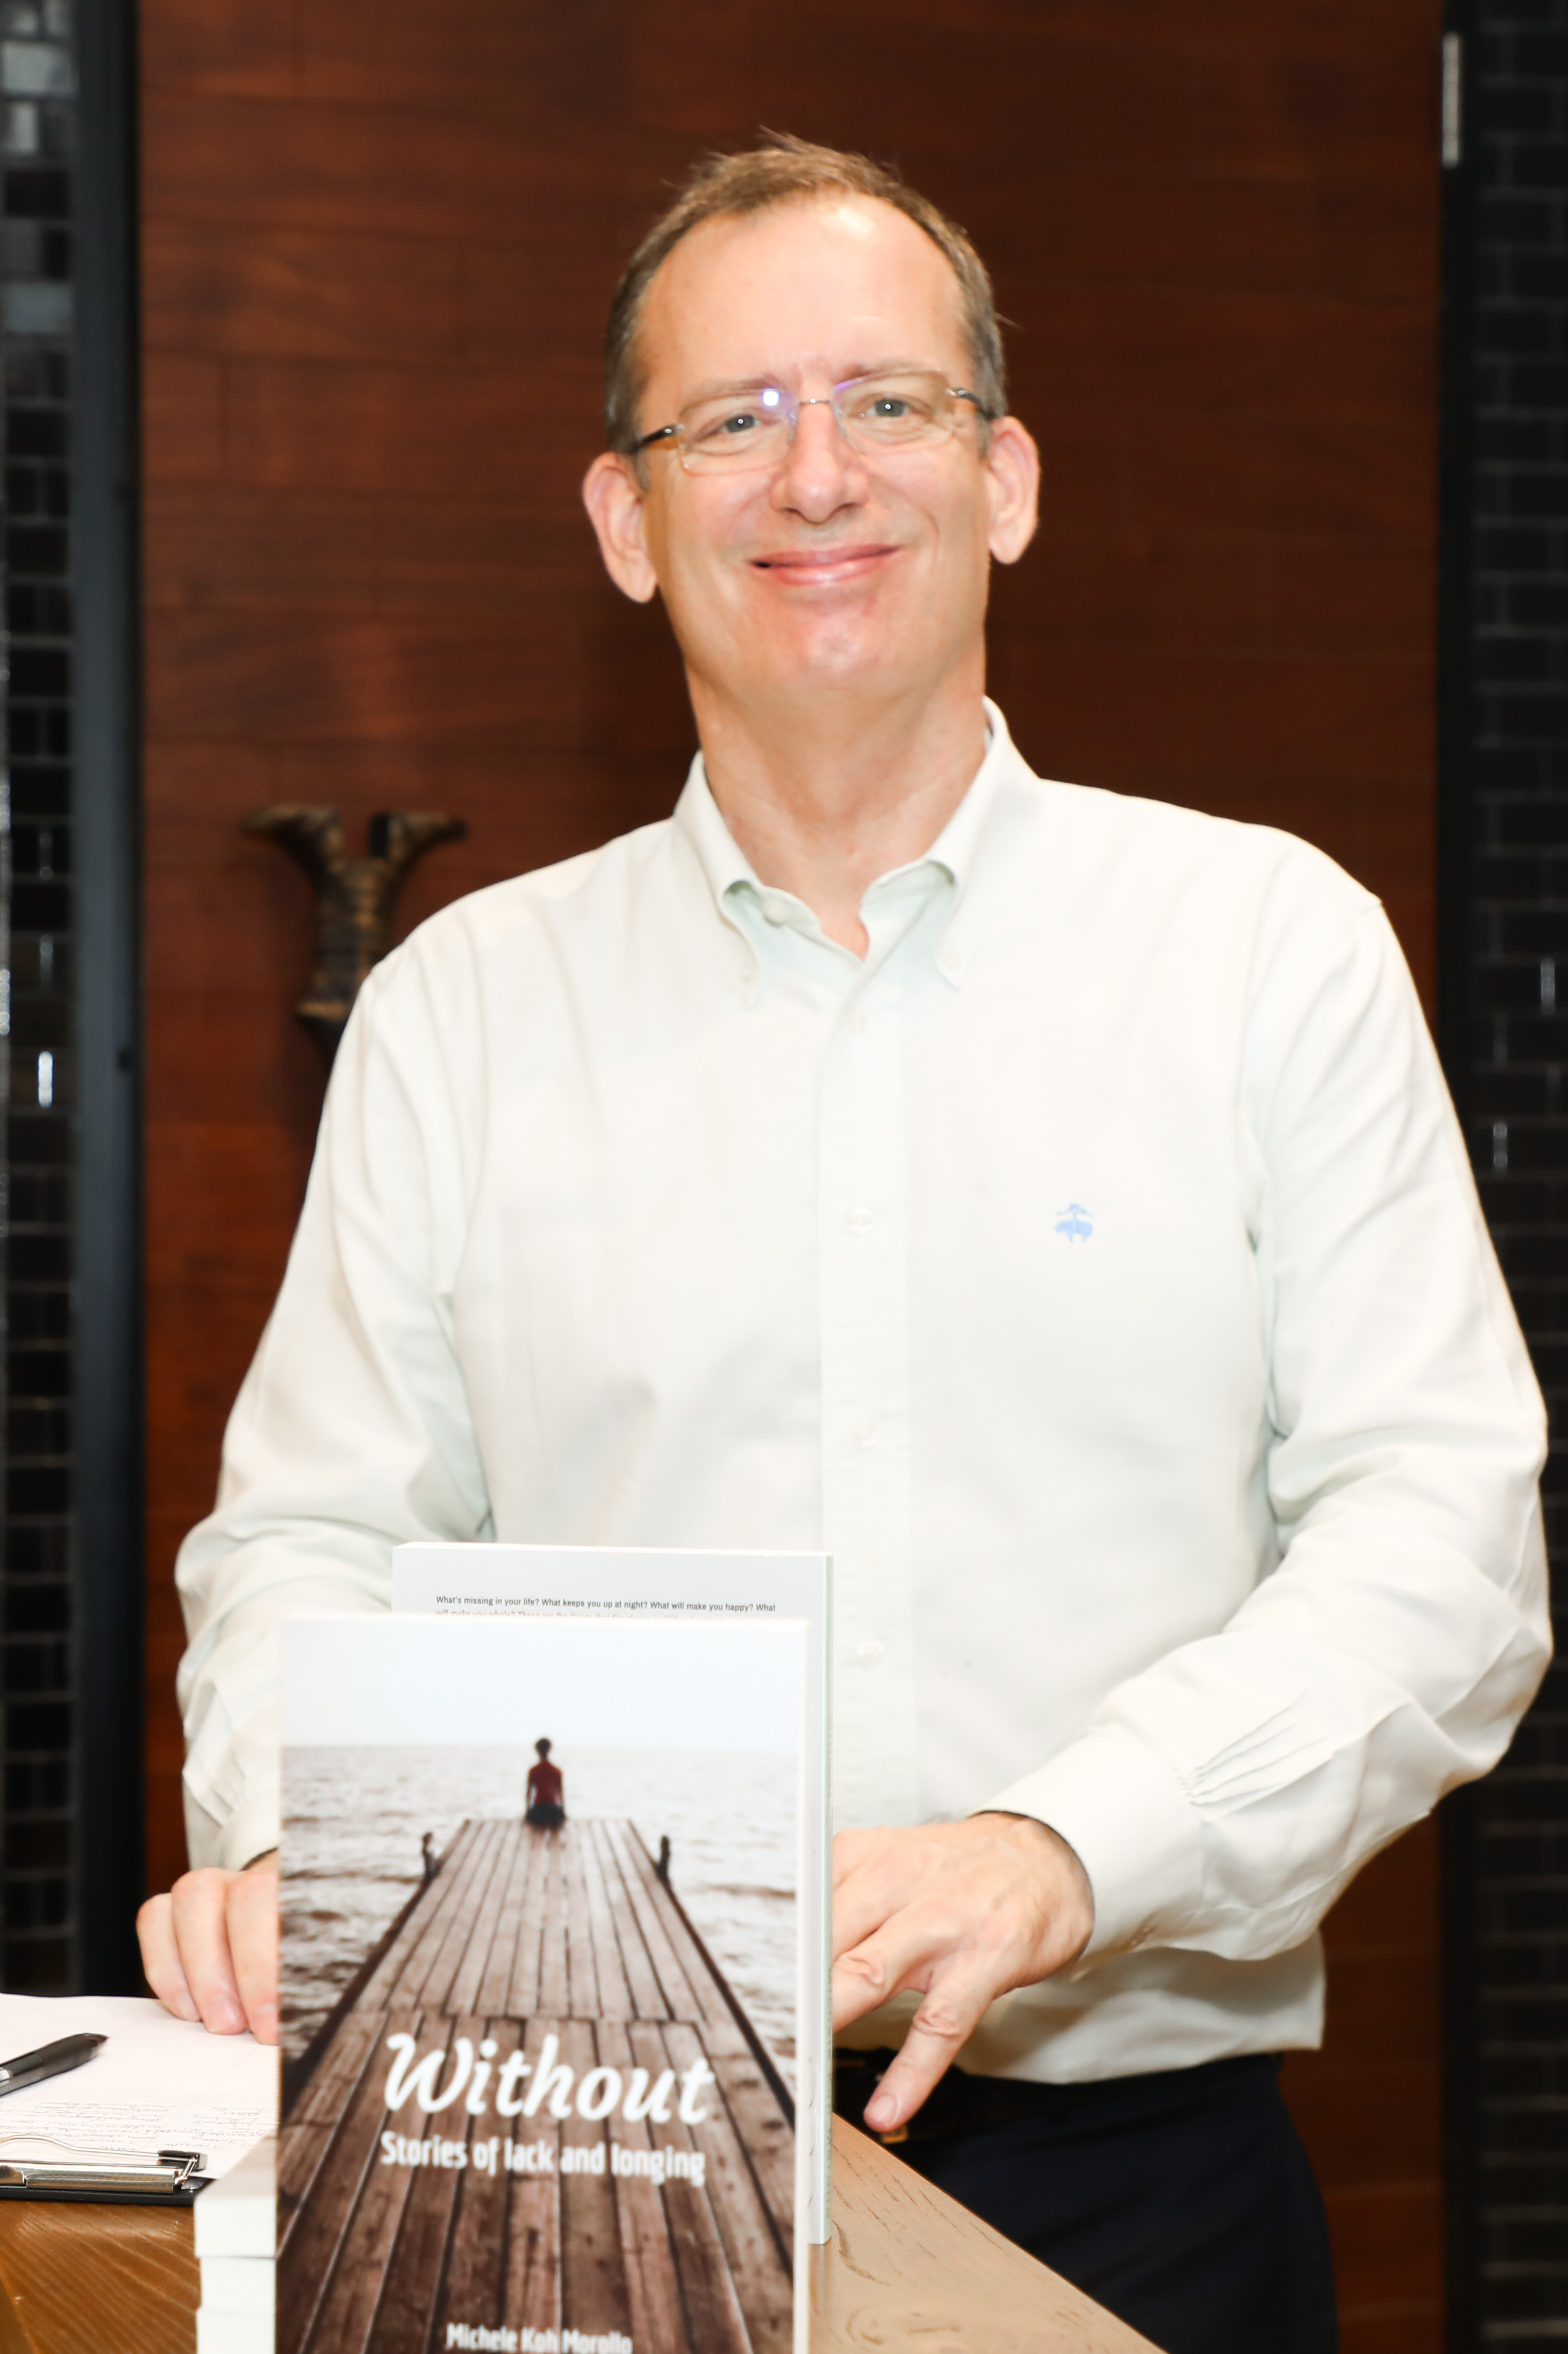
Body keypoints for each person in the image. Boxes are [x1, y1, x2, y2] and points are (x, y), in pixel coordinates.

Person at [136, 137, 1548, 2351]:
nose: (816, 474)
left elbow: (1436, 1535)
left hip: (1132, 2186)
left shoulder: (1264, 947)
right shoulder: (462, 1009)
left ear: (1004, 480)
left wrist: (1057, 1845)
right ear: (627, 520)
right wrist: (285, 1836)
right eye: (732, 417)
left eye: (887, 401)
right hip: (569, 2139)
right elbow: (313, 1537)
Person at [524, 1739, 566, 1829]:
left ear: (537, 1751)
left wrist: (527, 1812)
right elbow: (561, 1793)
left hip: (539, 1810)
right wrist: (563, 1812)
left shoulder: (534, 1771)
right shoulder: (557, 1771)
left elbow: (529, 1793)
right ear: (550, 1750)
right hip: (553, 1811)